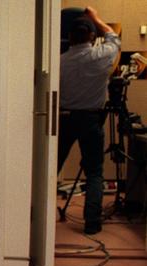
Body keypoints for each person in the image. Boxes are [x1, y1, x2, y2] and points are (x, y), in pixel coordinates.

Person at [58, 6, 120, 235]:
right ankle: (92, 224)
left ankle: (38, 216)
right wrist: (95, 17)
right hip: (91, 120)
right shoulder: (103, 55)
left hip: (63, 119)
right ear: (92, 37)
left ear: (70, 37)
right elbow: (114, 37)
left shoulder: (60, 62)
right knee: (94, 172)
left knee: (52, 167)